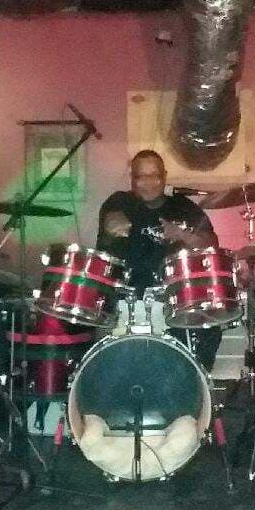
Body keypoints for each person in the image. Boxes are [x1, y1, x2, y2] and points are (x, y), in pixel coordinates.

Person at [97, 149, 221, 371]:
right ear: (132, 178)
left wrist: (182, 234)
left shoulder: (183, 206)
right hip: (128, 300)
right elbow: (111, 220)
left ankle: (193, 381)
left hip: (175, 302)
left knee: (208, 330)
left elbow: (211, 245)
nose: (148, 183)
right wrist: (113, 224)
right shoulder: (120, 201)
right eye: (141, 176)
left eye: (154, 176)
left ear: (164, 176)